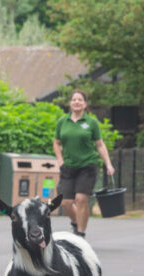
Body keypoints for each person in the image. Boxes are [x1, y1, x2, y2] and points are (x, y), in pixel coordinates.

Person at [53, 90, 115, 238]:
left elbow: (99, 145)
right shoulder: (62, 121)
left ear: (85, 104)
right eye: (74, 99)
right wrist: (60, 160)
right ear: (70, 103)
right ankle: (76, 222)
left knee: (81, 199)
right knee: (65, 202)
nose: (76, 102)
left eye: (80, 100)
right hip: (68, 166)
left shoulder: (91, 122)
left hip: (87, 166)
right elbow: (56, 143)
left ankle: (80, 234)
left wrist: (108, 164)